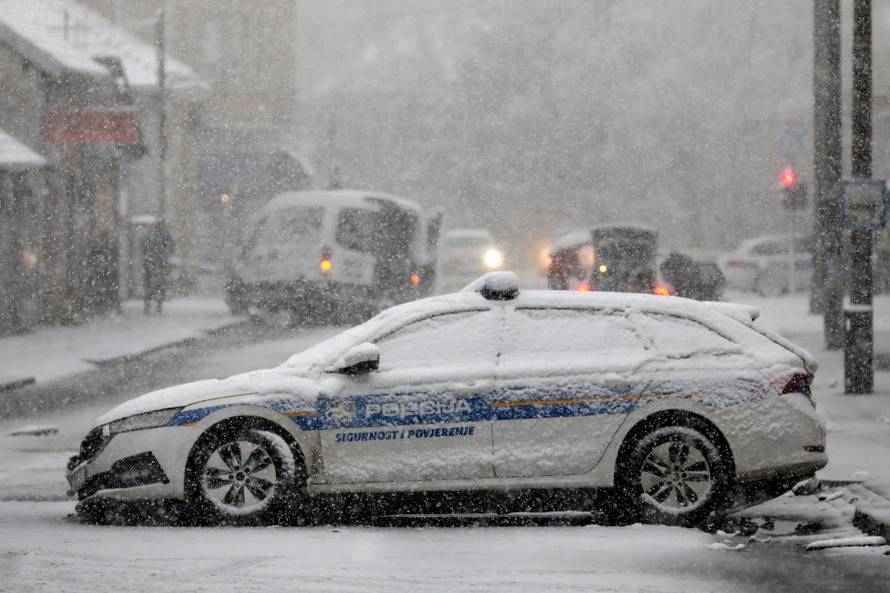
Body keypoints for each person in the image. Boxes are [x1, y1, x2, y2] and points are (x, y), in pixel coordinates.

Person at [141, 220, 175, 315]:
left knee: (153, 287)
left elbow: (143, 247)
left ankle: (152, 307)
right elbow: (171, 247)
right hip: (156, 264)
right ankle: (155, 307)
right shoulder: (162, 236)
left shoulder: (151, 235)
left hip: (155, 264)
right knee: (156, 287)